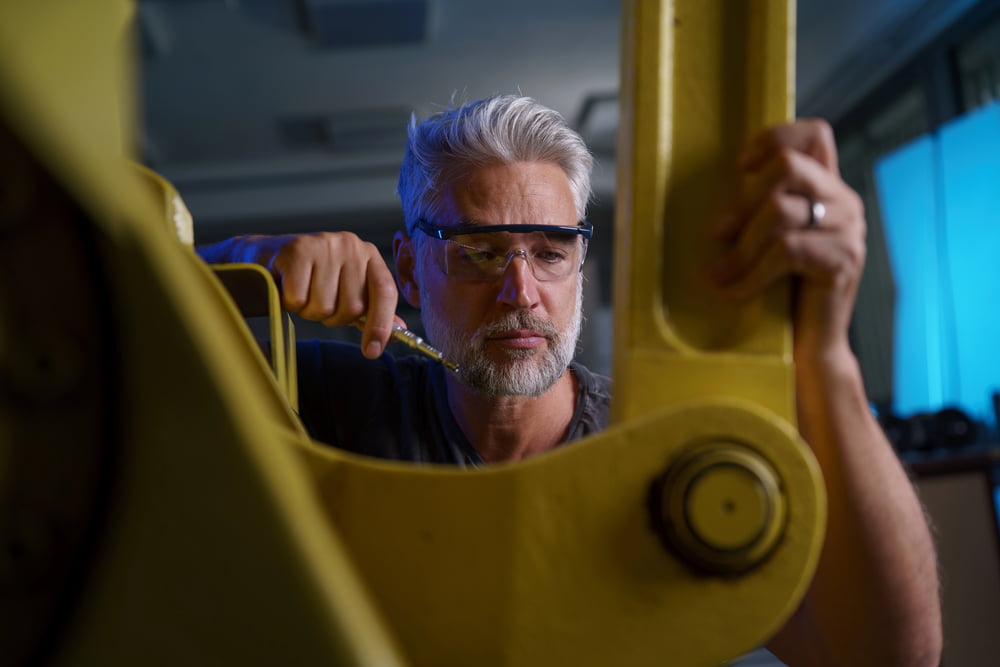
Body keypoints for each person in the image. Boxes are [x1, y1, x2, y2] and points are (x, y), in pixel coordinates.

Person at [198, 95, 942, 666]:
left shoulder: (662, 450)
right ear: (408, 272)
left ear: (579, 263)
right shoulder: (321, 399)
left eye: (551, 249)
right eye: (479, 252)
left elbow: (890, 656)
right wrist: (239, 266)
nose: (521, 290)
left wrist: (826, 348)